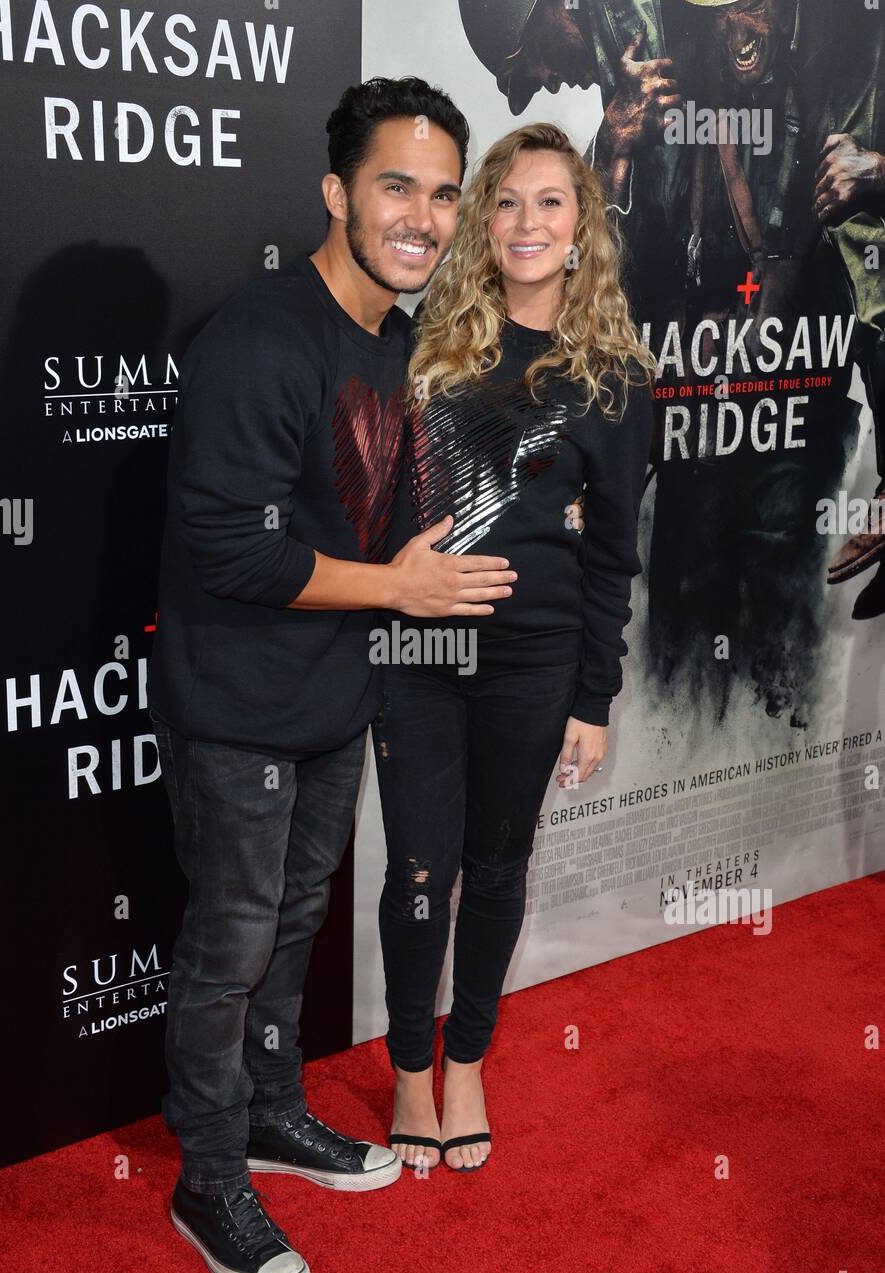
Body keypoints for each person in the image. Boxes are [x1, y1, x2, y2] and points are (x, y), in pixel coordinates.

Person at [147, 76, 519, 1273]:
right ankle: (206, 1173)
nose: (423, 214)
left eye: (441, 192)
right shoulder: (262, 338)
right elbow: (235, 551)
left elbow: (398, 508)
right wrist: (398, 593)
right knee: (232, 942)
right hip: (240, 699)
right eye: (395, 186)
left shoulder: (397, 337)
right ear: (335, 194)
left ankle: (267, 1114)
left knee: (293, 926)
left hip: (329, 696)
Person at [372, 122, 656, 1173]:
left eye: (549, 203)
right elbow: (369, 502)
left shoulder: (616, 382)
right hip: (413, 657)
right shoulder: (420, 350)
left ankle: (467, 1064)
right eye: (505, 203)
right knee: (416, 866)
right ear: (480, 225)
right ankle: (408, 1066)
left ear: (580, 231)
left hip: (535, 662)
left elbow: (613, 555)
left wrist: (594, 698)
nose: (526, 223)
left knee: (495, 867)